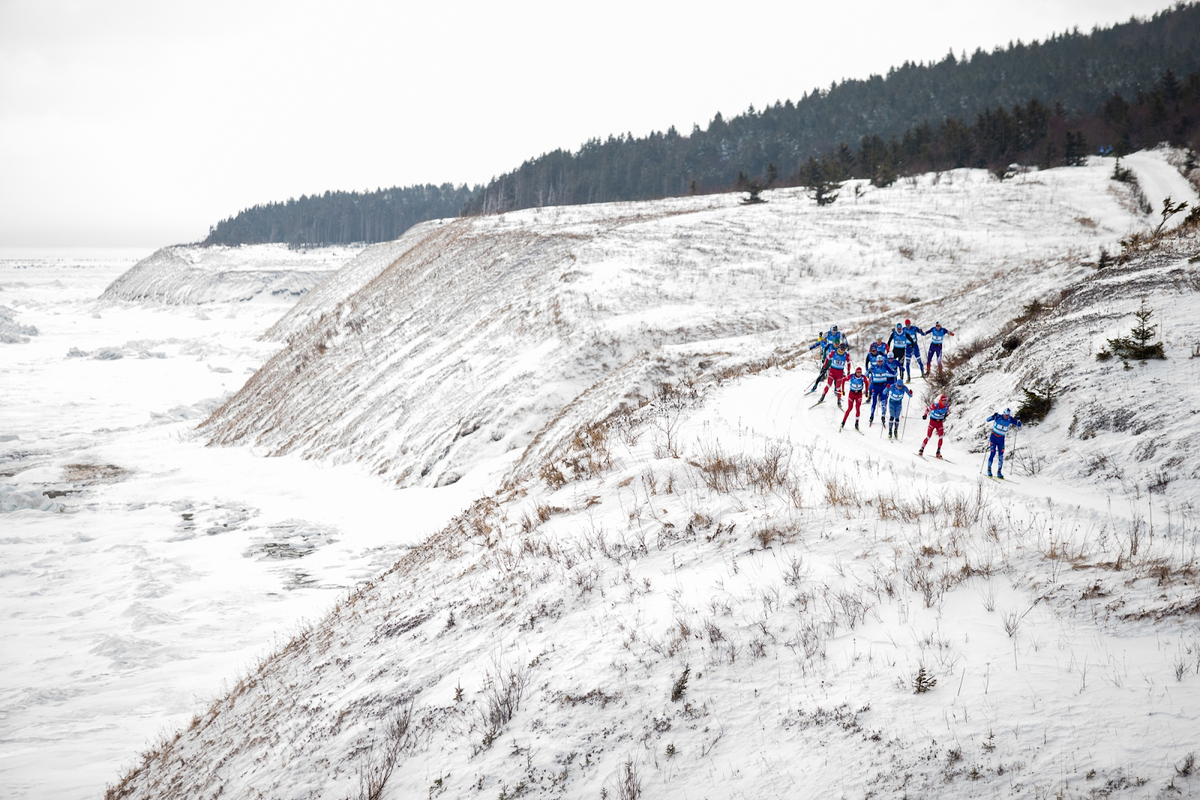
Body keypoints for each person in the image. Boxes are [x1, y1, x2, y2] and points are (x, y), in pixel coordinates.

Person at [985, 408, 1022, 478]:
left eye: (1008, 415)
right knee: (992, 453)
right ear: (1003, 414)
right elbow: (987, 420)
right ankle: (989, 469)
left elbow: (1018, 425)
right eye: (1005, 415)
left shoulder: (1010, 419)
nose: (1006, 416)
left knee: (1001, 455)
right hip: (993, 437)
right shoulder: (998, 417)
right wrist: (993, 416)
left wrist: (1018, 419)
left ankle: (999, 471)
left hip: (1001, 439)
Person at [866, 355, 890, 426]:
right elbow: (867, 371)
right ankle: (871, 416)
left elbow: (892, 372)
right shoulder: (874, 367)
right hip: (875, 386)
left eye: (881, 361)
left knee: (883, 402)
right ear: (876, 361)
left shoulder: (885, 366)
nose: (880, 362)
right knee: (874, 402)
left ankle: (883, 416)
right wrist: (865, 375)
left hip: (883, 386)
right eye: (878, 361)